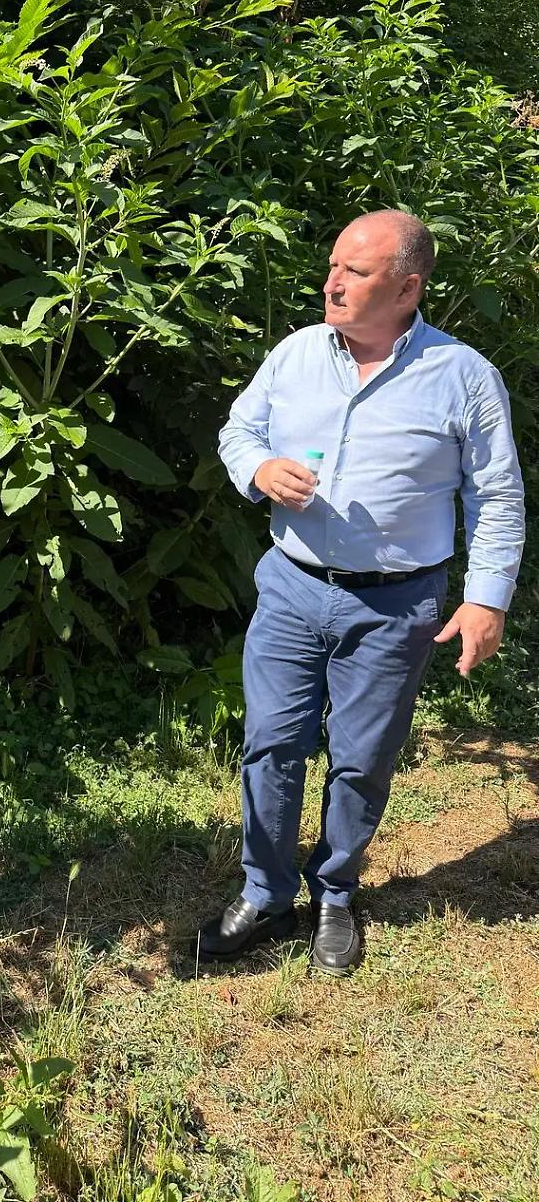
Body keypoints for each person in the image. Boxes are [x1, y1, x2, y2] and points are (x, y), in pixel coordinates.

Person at [201, 209, 524, 974]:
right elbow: (237, 431)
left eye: (356, 271)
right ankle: (266, 889)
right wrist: (258, 470)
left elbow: (497, 496)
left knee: (362, 757)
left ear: (408, 287)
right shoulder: (296, 354)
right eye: (333, 265)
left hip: (394, 603)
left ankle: (336, 893)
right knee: (271, 744)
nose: (332, 282)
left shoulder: (464, 377)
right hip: (291, 585)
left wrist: (487, 598)